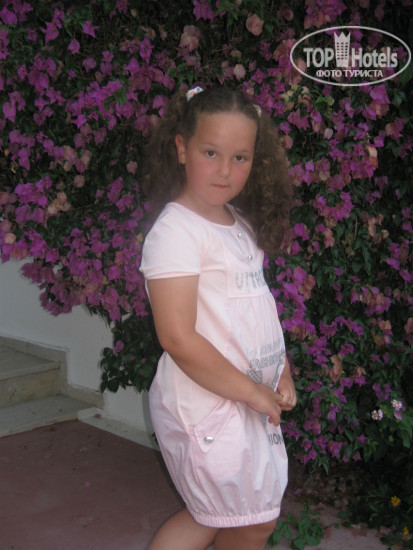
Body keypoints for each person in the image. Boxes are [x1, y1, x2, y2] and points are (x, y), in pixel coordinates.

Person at [140, 86, 297, 550]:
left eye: (240, 158)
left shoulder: (238, 224)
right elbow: (177, 337)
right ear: (182, 148)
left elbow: (257, 308)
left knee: (225, 516)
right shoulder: (176, 232)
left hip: (243, 399)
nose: (225, 171)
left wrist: (281, 370)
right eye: (211, 153)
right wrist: (252, 391)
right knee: (246, 519)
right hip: (205, 405)